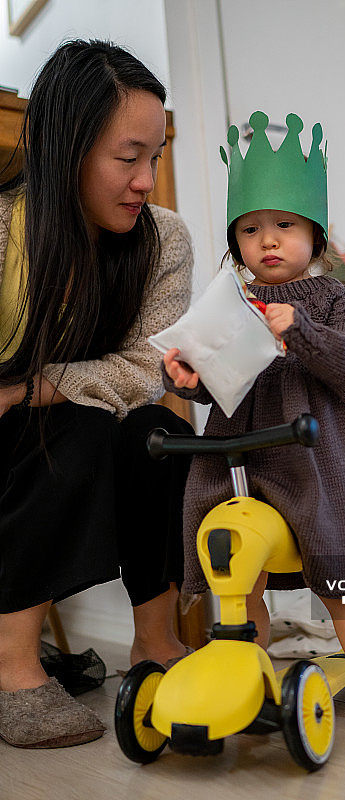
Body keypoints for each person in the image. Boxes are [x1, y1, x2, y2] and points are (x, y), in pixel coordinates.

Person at [162, 111, 345, 740]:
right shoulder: (228, 299)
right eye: (250, 229)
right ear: (235, 241)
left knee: (343, 584)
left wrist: (301, 330)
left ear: (314, 238)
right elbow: (203, 365)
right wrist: (181, 374)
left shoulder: (330, 300)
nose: (267, 240)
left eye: (285, 226)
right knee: (238, 584)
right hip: (236, 465)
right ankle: (250, 681)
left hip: (313, 466)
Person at [0, 40, 195, 749]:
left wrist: (39, 387)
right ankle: (12, 666)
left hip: (58, 415)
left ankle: (155, 642)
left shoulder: (163, 239)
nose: (146, 179)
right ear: (66, 148)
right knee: (74, 430)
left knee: (153, 432)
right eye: (127, 156)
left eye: (157, 155)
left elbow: (149, 361)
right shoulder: (3, 231)